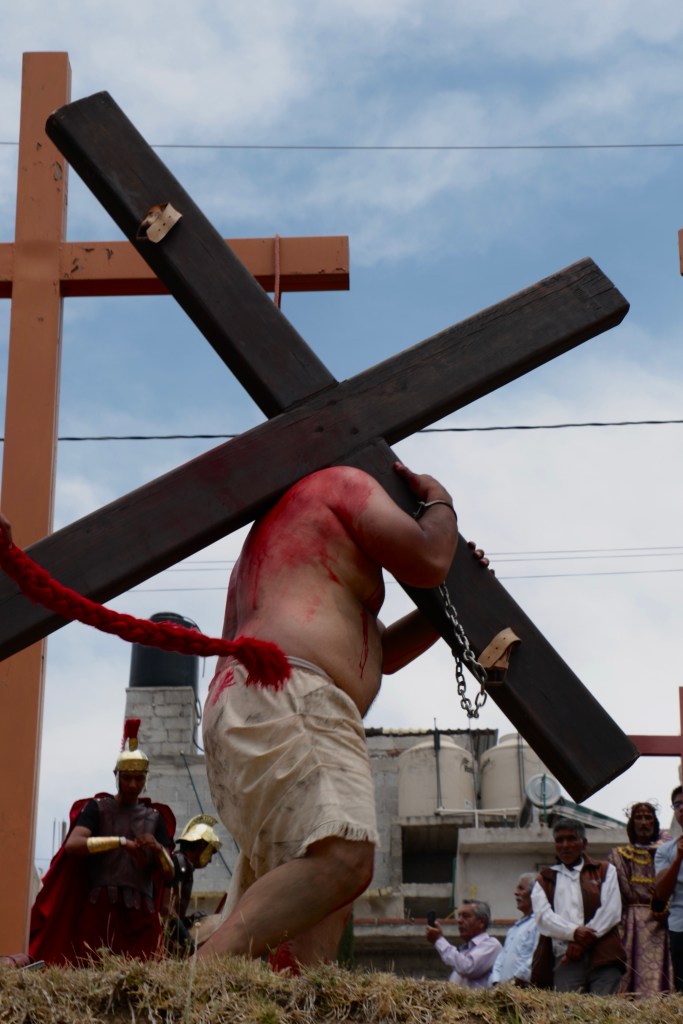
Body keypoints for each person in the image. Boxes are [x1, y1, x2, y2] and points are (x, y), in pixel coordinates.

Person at [200, 462, 486, 967]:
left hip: (251, 700)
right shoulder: (340, 482)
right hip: (288, 689)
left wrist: (450, 606)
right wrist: (441, 501)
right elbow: (428, 556)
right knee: (342, 856)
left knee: (316, 888)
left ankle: (299, 997)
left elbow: (380, 653)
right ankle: (197, 979)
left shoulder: (297, 538)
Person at [29, 719, 175, 964]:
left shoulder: (155, 818)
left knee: (145, 976)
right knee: (94, 969)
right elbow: (74, 844)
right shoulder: (97, 808)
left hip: (141, 913)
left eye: (138, 779)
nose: (133, 785)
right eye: (127, 778)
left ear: (146, 778)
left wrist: (158, 849)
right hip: (101, 909)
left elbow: (169, 872)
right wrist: (121, 842)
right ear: (117, 775)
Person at [531, 817, 625, 994]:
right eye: (560, 840)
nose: (565, 845)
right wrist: (573, 932)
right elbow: (543, 918)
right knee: (568, 1009)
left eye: (571, 839)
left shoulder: (605, 870)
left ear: (584, 843)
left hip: (604, 955)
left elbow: (611, 911)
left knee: (603, 1008)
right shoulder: (545, 879)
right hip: (566, 957)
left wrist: (582, 941)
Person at [609, 802, 672, 995]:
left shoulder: (666, 853)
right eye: (639, 817)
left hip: (662, 920)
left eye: (648, 817)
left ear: (655, 822)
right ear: (632, 823)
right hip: (631, 923)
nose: (644, 822)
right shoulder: (620, 856)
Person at [164, 814, 222, 956]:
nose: (210, 860)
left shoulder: (183, 864)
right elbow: (166, 909)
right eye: (210, 852)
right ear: (202, 845)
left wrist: (187, 921)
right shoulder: (180, 864)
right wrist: (188, 943)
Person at [425, 901, 502, 987]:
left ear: (481, 922)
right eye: (459, 916)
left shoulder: (492, 945)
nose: (459, 920)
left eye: (466, 916)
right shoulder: (464, 951)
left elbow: (467, 968)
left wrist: (439, 940)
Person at [654, 785, 683, 991]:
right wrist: (678, 858)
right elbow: (661, 894)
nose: (681, 808)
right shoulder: (666, 850)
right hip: (679, 928)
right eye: (677, 804)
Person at [489, 874, 538, 987]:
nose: (516, 893)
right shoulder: (514, 929)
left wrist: (514, 982)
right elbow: (501, 959)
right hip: (505, 990)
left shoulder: (539, 924)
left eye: (521, 888)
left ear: (535, 893)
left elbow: (536, 958)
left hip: (523, 990)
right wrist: (496, 981)